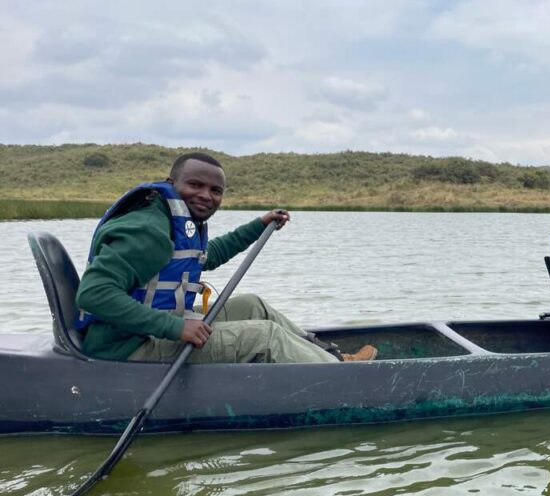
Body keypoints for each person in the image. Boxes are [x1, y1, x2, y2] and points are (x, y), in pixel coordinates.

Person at [74, 152, 377, 364]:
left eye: (215, 190)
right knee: (264, 336)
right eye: (195, 185)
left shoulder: (172, 219)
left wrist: (257, 227)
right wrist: (175, 328)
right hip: (126, 346)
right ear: (172, 182)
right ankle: (343, 376)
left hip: (146, 330)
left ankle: (332, 357)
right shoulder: (148, 231)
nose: (206, 195)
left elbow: (208, 256)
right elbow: (94, 294)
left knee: (253, 305)